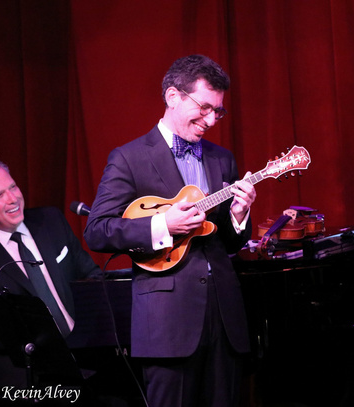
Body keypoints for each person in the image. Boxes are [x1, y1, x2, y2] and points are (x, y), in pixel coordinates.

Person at [84, 54, 257, 407]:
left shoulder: (221, 158)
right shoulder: (129, 158)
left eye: (218, 112)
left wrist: (239, 215)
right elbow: (97, 231)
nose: (211, 120)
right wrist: (163, 224)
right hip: (166, 324)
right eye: (205, 108)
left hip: (224, 320)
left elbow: (229, 240)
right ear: (173, 97)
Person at [0, 154, 102, 390]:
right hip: (27, 373)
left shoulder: (51, 220)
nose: (13, 199)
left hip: (88, 355)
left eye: (13, 187)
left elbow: (91, 276)